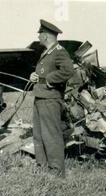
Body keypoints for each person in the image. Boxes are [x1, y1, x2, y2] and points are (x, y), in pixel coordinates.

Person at [29, 19, 75, 178]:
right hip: (40, 96)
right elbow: (44, 71)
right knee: (39, 134)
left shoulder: (59, 51)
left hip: (50, 98)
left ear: (46, 36)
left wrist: (49, 79)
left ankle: (56, 172)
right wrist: (35, 76)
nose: (38, 36)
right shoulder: (47, 52)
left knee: (51, 135)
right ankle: (42, 166)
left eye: (40, 34)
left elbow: (68, 70)